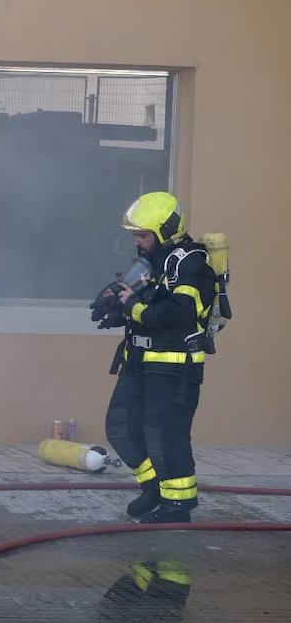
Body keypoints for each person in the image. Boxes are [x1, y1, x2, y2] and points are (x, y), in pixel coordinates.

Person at [99, 192, 216, 524]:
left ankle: (178, 506)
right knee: (120, 426)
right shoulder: (153, 265)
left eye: (143, 234)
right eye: (135, 234)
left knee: (167, 435)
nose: (137, 241)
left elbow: (180, 311)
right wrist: (117, 304)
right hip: (139, 362)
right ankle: (154, 488)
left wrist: (133, 306)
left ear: (164, 231)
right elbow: (144, 304)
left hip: (174, 369)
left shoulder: (191, 262)